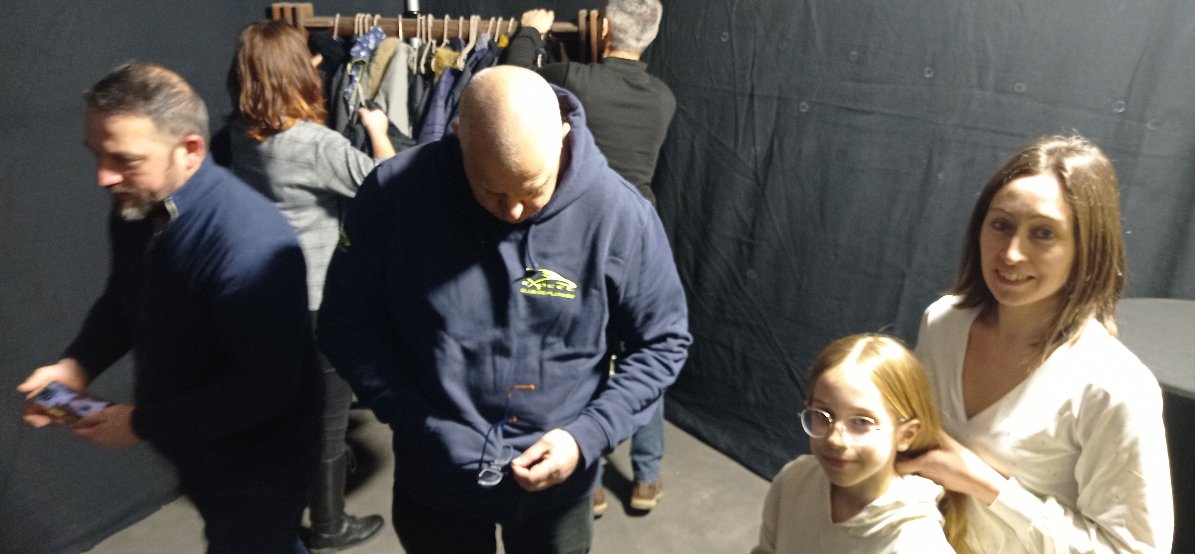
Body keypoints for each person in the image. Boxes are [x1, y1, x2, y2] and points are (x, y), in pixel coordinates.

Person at [317, 64, 691, 553]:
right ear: (458, 137)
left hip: (558, 490)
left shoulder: (619, 216)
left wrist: (587, 435)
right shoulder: (394, 195)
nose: (513, 210)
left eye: (532, 188)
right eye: (492, 191)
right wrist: (413, 418)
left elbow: (663, 343)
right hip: (434, 479)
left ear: (562, 136)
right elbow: (345, 321)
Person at [16, 62, 321, 553]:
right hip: (197, 443)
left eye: (124, 159)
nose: (103, 177)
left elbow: (264, 389)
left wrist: (141, 424)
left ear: (191, 150)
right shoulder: (137, 203)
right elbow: (125, 297)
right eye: (97, 154)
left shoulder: (251, 244)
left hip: (257, 462)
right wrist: (77, 365)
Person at [897, 135, 1175, 552]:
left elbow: (1133, 550)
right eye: (1001, 225)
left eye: (1043, 233)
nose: (1011, 253)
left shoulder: (1114, 386)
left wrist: (984, 483)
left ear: (1086, 249)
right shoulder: (943, 323)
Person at [220, 21, 392, 553]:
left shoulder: (239, 133)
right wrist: (378, 128)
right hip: (318, 302)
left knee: (291, 411)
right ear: (295, 72)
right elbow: (390, 184)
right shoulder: (315, 144)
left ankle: (292, 499)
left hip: (267, 297)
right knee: (329, 421)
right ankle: (329, 526)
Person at [502, 0, 676, 515]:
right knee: (643, 351)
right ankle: (646, 479)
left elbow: (510, 83)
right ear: (653, 35)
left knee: (583, 350)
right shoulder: (663, 98)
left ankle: (588, 479)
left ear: (601, 28)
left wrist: (530, 33)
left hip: (581, 232)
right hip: (641, 233)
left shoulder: (572, 79)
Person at [753, 334, 961, 554]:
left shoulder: (916, 543)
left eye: (862, 422)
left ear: (906, 435)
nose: (835, 439)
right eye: (822, 414)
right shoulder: (794, 480)